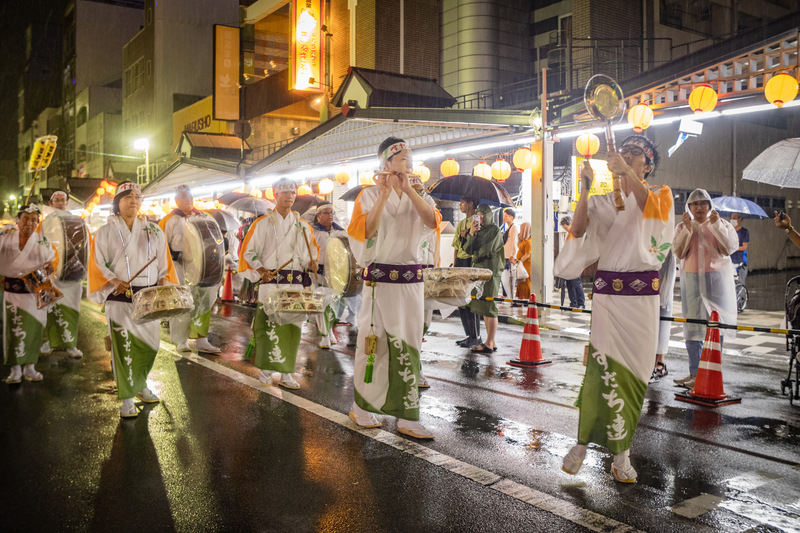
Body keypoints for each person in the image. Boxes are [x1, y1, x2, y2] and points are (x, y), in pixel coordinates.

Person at [555, 134, 674, 483]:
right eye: (623, 151)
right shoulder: (606, 200)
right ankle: (581, 444)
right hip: (608, 296)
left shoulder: (660, 196)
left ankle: (621, 454)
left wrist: (626, 174)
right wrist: (585, 188)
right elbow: (577, 231)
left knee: (634, 376)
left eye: (635, 153)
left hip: (641, 300)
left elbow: (655, 219)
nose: (626, 155)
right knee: (601, 371)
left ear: (647, 165)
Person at [347, 136, 439, 439]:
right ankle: (362, 407)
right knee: (374, 345)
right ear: (386, 162)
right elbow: (366, 231)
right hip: (380, 282)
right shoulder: (369, 195)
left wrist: (410, 190)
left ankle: (407, 416)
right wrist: (386, 194)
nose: (409, 161)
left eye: (410, 156)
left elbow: (432, 222)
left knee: (409, 345)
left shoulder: (420, 195)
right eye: (402, 157)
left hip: (411, 282)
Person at [88, 182, 178, 418]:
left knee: (151, 345)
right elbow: (97, 263)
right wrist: (113, 280)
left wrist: (163, 283)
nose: (133, 201)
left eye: (137, 197)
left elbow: (164, 263)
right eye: (127, 197)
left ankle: (140, 384)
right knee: (123, 344)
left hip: (147, 298)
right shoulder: (105, 232)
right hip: (119, 297)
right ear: (117, 202)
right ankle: (127, 396)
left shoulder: (154, 230)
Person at [239, 178, 319, 390]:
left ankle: (287, 372)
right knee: (269, 326)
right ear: (275, 195)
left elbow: (308, 253)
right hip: (271, 283)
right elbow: (248, 251)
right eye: (284, 193)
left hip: (294, 285)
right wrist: (260, 269)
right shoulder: (262, 223)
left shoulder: (302, 226)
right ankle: (266, 370)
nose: (289, 196)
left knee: (292, 327)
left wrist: (311, 263)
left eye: (292, 193)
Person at [672, 189, 738, 389]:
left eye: (703, 203)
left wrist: (717, 225)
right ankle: (694, 373)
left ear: (710, 206)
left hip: (716, 281)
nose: (699, 207)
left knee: (716, 326)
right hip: (692, 280)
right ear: (689, 207)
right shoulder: (682, 226)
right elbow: (678, 252)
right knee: (692, 327)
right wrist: (687, 230)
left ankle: (712, 372)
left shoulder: (722, 224)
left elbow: (728, 248)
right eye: (695, 204)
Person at [159, 185, 223, 354]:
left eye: (190, 196)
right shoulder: (169, 220)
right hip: (179, 267)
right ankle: (181, 341)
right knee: (181, 304)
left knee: (204, 303)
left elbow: (217, 239)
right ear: (176, 200)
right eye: (183, 197)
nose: (188, 199)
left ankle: (202, 340)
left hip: (202, 269)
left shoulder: (205, 217)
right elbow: (159, 245)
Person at [1, 204, 57, 384]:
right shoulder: (7, 237)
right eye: (25, 219)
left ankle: (30, 367)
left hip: (36, 292)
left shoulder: (43, 240)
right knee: (13, 329)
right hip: (13, 293)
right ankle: (15, 369)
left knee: (35, 328)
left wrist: (43, 273)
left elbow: (51, 263)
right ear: (18, 220)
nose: (29, 223)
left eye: (34, 220)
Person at [40, 190, 86, 358]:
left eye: (63, 200)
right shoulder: (45, 223)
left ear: (67, 203)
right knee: (49, 309)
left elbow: (86, 246)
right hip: (50, 275)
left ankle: (71, 345)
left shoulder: (78, 221)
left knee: (72, 309)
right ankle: (48, 342)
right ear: (51, 203)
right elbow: (37, 245)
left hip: (73, 275)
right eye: (56, 200)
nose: (60, 203)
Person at [466, 204, 505, 354]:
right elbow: (468, 250)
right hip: (480, 271)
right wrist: (472, 234)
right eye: (478, 214)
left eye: (483, 215)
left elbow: (488, 250)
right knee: (483, 306)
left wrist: (476, 253)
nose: (480, 217)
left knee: (490, 306)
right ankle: (490, 341)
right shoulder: (478, 230)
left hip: (491, 270)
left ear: (488, 215)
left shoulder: (494, 230)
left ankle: (489, 342)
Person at [310, 203, 346, 349]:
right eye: (326, 212)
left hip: (336, 273)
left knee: (334, 303)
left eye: (332, 212)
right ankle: (325, 335)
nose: (330, 215)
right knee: (320, 303)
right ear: (318, 215)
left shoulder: (341, 232)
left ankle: (329, 329)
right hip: (317, 271)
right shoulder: (313, 232)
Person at [453, 198, 482, 347]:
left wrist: (469, 235)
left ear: (471, 203)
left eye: (463, 202)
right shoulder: (460, 224)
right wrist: (455, 264)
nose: (460, 205)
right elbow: (456, 247)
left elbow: (477, 244)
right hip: (461, 263)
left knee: (471, 300)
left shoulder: (477, 221)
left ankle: (475, 336)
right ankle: (469, 335)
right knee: (461, 301)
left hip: (471, 262)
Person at [558, 217, 585, 308]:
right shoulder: (568, 235)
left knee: (576, 283)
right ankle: (573, 303)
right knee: (569, 284)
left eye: (565, 227)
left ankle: (581, 303)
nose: (565, 229)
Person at [501, 208, 518, 302]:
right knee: (504, 278)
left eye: (506, 216)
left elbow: (514, 243)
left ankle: (511, 298)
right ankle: (506, 296)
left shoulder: (514, 228)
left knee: (509, 279)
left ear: (511, 217)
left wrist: (513, 256)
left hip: (509, 257)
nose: (504, 217)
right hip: (505, 255)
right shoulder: (508, 227)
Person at [730, 212, 749, 286]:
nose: (732, 220)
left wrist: (733, 248)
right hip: (729, 261)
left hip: (740, 262)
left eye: (734, 218)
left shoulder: (744, 232)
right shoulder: (728, 231)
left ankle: (742, 297)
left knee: (740, 284)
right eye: (731, 218)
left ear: (740, 219)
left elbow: (744, 247)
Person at [515, 222, 532, 300]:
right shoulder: (524, 240)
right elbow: (519, 246)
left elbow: (527, 254)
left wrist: (519, 261)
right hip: (522, 264)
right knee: (521, 280)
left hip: (526, 264)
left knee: (525, 280)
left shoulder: (529, 241)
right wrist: (519, 239)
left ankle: (526, 298)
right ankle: (521, 298)